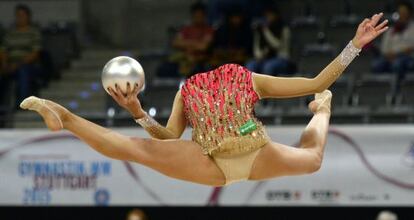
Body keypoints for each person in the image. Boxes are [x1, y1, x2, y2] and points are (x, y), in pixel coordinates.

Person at [20, 13, 387, 186]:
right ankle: (322, 111)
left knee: (132, 148)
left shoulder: (188, 88)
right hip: (255, 154)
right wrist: (354, 44)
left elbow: (166, 140)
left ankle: (64, 117)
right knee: (314, 157)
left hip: (211, 163)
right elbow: (317, 80)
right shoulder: (246, 77)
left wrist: (137, 113)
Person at [0, 4, 42, 108]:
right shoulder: (10, 33)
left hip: (28, 65)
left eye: (22, 15)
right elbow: (4, 50)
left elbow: (35, 53)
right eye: (18, 15)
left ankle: (22, 104)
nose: (20, 18)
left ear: (28, 17)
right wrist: (5, 64)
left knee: (23, 71)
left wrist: (18, 64)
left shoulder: (33, 32)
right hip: (10, 65)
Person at [160, 2, 214, 78]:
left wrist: (186, 43)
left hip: (200, 62)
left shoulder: (208, 30)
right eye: (196, 15)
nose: (198, 17)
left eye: (200, 15)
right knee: (164, 68)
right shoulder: (186, 29)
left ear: (204, 16)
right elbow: (176, 42)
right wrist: (195, 43)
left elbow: (203, 46)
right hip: (183, 58)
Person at [372, 1, 414, 81]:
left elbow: (411, 48)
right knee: (376, 65)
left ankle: (396, 90)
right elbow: (384, 49)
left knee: (397, 64)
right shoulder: (391, 30)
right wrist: (389, 55)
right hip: (389, 58)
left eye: (404, 13)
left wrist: (398, 54)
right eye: (400, 13)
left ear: (410, 14)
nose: (402, 15)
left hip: (408, 58)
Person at [246, 5, 292, 75]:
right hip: (264, 58)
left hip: (281, 58)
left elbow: (277, 45)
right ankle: (251, 86)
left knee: (268, 67)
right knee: (250, 65)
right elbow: (256, 47)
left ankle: (266, 86)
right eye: (266, 15)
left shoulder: (284, 29)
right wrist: (259, 55)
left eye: (270, 15)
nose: (268, 17)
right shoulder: (260, 29)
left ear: (276, 15)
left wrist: (266, 31)